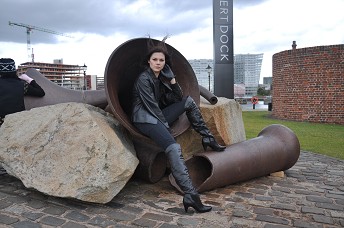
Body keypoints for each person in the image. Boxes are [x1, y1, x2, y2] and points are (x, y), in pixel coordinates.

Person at [131, 38, 226, 213]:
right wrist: (166, 128)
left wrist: (172, 80)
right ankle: (191, 195)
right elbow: (151, 106)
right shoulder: (143, 79)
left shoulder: (159, 79)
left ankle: (208, 137)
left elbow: (176, 98)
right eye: (155, 60)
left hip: (156, 116)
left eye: (161, 60)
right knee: (174, 148)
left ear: (165, 63)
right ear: (148, 61)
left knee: (188, 102)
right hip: (145, 119)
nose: (158, 63)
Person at [0, 58, 45, 127]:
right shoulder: (22, 85)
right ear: (14, 70)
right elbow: (41, 93)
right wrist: (29, 79)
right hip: (17, 122)